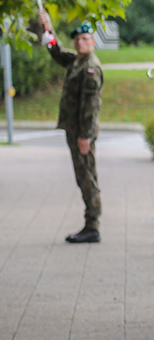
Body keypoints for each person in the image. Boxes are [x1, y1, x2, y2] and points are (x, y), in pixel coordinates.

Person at [39, 13, 104, 243]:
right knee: (82, 176)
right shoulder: (77, 61)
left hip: (81, 132)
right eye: (77, 39)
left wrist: (85, 136)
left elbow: (91, 107)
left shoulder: (90, 68)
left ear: (93, 42)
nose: (80, 43)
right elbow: (57, 52)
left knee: (86, 177)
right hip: (75, 130)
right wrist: (48, 30)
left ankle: (92, 226)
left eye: (85, 39)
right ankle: (90, 225)